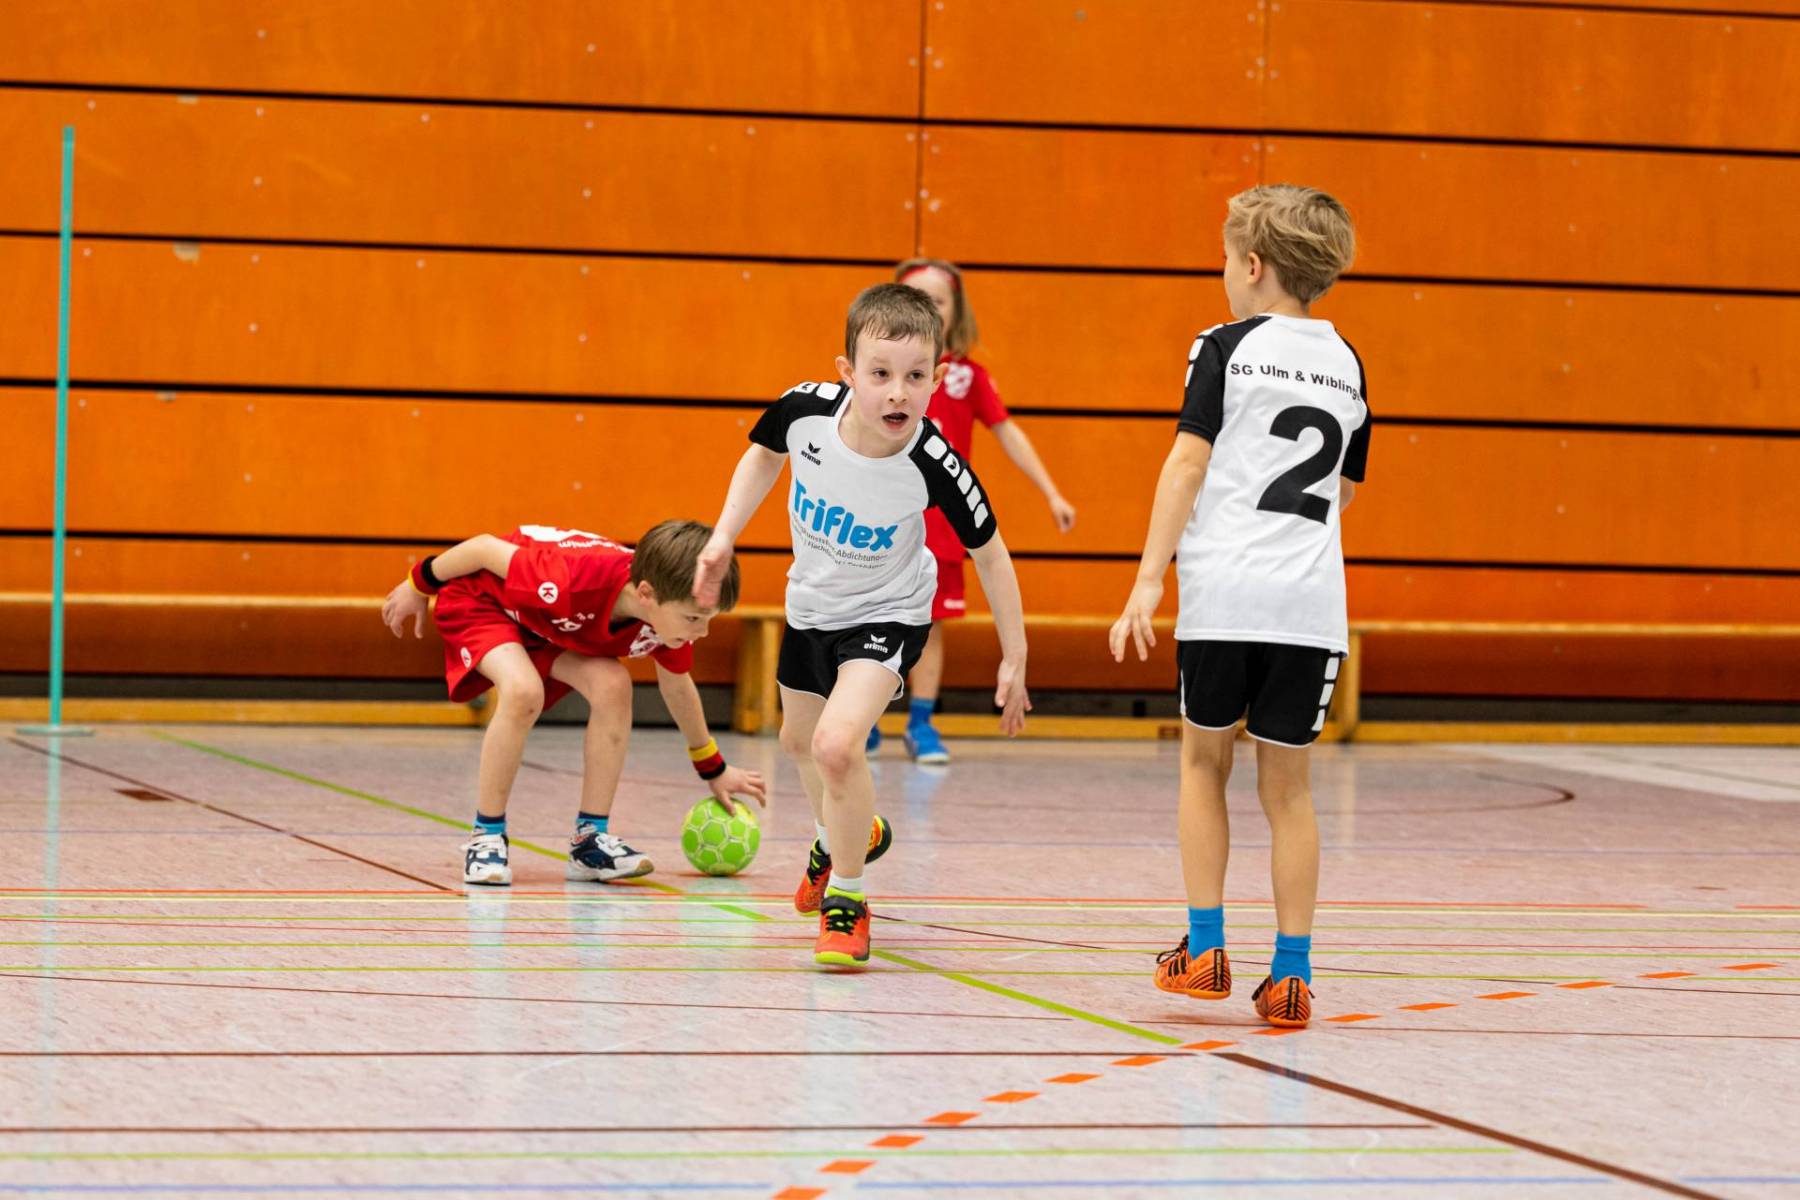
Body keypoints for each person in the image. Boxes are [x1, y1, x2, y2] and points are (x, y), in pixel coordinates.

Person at [694, 283, 1031, 968]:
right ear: (848, 373)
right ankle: (846, 834)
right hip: (811, 607)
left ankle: (847, 900)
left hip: (889, 614)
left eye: (915, 377)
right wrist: (723, 536)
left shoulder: (934, 462)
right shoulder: (805, 411)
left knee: (836, 746)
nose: (897, 393)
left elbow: (992, 554)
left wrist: (1014, 655)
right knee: (798, 741)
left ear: (937, 378)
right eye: (880, 374)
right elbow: (762, 454)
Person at [1109, 184, 1369, 1029]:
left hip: (1225, 594)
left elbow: (1187, 463)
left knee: (1202, 765)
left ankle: (1205, 949)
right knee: (1289, 791)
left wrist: (1149, 577)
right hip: (1309, 605)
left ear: (1253, 266)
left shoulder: (1222, 346)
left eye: (1225, 259)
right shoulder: (1348, 361)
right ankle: (1291, 975)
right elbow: (1344, 490)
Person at [382, 520, 766, 887]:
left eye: (709, 619)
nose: (702, 631)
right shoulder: (570, 578)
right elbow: (482, 549)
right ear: (647, 594)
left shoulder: (667, 617)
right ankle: (486, 836)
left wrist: (712, 767)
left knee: (613, 685)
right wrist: (418, 583)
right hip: (483, 603)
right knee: (523, 691)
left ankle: (589, 842)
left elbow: (678, 687)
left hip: (546, 626)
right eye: (694, 618)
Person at [869, 258, 1075, 765]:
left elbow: (1008, 432)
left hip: (939, 527)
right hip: (878, 520)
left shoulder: (966, 377)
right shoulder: (875, 376)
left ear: (956, 311)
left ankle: (921, 723)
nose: (928, 309)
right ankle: (865, 720)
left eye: (938, 300)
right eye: (917, 298)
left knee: (932, 626)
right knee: (871, 620)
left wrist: (1051, 492)